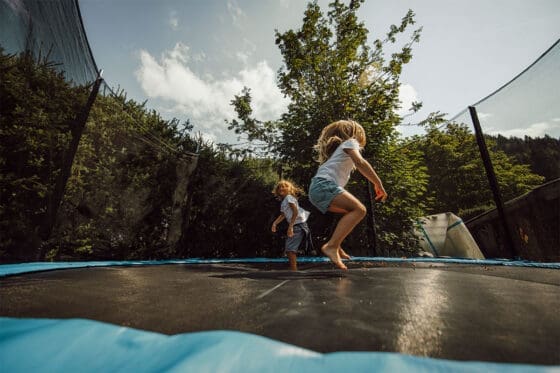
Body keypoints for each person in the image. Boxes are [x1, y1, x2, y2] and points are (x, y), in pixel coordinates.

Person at [308, 120, 388, 270]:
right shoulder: (350, 142)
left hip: (316, 190)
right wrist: (378, 183)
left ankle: (336, 244)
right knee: (360, 210)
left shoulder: (338, 152)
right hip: (324, 186)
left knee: (350, 214)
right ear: (355, 134)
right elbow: (360, 162)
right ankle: (332, 246)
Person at [271, 180, 312, 271]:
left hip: (298, 225)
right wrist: (275, 223)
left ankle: (294, 271)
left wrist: (290, 227)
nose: (281, 188)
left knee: (290, 249)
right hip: (297, 225)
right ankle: (294, 270)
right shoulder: (284, 202)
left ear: (289, 189)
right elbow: (283, 215)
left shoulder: (289, 197)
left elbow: (295, 211)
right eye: (279, 187)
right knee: (290, 249)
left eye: (284, 186)